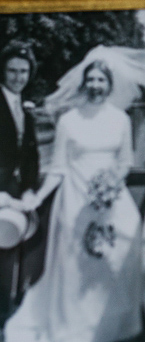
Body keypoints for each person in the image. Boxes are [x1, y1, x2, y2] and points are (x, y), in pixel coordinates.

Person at [5, 46, 145, 342]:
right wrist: (38, 198)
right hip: (74, 201)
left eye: (101, 80)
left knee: (120, 254)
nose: (95, 86)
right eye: (90, 80)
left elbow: (125, 163)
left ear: (110, 84)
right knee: (74, 264)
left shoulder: (121, 120)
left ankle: (111, 325)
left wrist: (110, 185)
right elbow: (58, 168)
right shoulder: (68, 120)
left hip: (111, 200)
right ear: (84, 83)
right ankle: (73, 327)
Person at [0, 42, 41, 322]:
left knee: (7, 254)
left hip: (16, 193)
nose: (18, 77)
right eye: (12, 70)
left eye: (24, 71)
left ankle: (5, 314)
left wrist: (28, 189)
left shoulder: (26, 111)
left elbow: (31, 157)